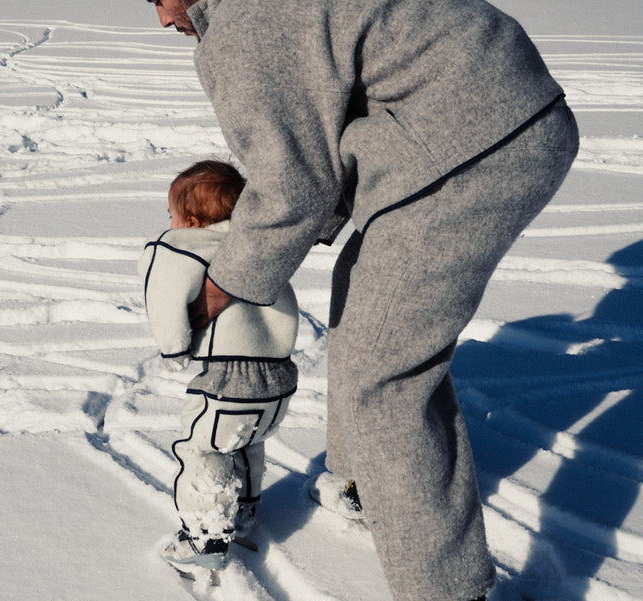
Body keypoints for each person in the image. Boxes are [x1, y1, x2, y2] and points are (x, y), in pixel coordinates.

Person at [142, 1, 579, 600]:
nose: (164, 18)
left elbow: (292, 183)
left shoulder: (244, 22)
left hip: (468, 141)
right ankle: (361, 482)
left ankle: (447, 592)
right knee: (369, 303)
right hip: (489, 117)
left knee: (382, 381)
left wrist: (227, 282)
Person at [137, 160, 300, 572]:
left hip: (229, 377)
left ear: (191, 220)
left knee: (201, 449)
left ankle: (206, 537)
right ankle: (243, 510)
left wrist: (174, 350)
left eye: (171, 213)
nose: (168, 221)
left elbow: (164, 293)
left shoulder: (181, 245)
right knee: (245, 443)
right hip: (280, 377)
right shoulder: (257, 246)